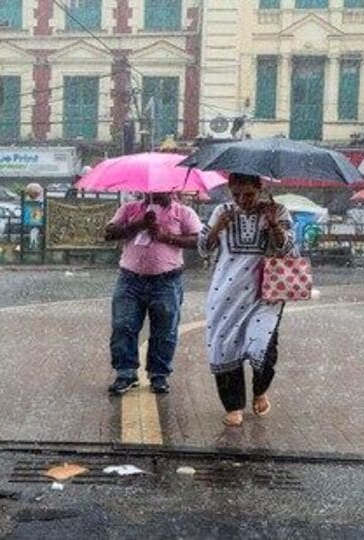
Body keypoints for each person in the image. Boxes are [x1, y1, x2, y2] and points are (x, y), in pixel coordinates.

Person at [198, 173, 297, 427]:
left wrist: (274, 225)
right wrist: (219, 226)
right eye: (237, 194)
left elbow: (289, 249)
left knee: (263, 346)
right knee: (224, 345)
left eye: (249, 194)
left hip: (265, 293)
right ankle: (233, 405)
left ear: (260, 189)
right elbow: (203, 247)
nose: (243, 200)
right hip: (226, 292)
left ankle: (260, 389)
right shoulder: (222, 210)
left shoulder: (278, 210)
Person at [105, 192, 202, 395]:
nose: (156, 191)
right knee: (123, 325)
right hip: (130, 280)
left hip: (166, 281)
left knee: (165, 330)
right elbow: (109, 232)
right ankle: (126, 373)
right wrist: (139, 224)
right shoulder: (130, 209)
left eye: (162, 187)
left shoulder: (183, 212)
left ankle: (159, 375)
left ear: (172, 188)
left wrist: (166, 236)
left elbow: (197, 241)